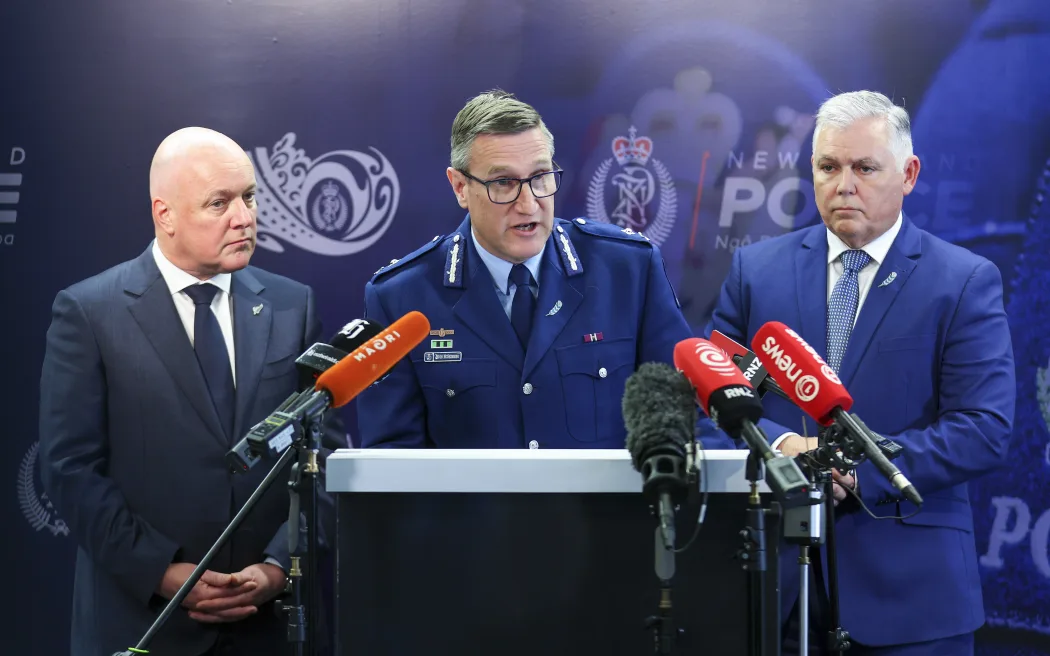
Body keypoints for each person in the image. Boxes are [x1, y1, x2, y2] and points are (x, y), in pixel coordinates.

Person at [706, 90, 1015, 654]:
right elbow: (710, 399)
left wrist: (855, 469)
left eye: (865, 167)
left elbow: (983, 429)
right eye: (828, 166)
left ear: (909, 174)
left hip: (912, 605)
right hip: (771, 593)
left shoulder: (964, 281)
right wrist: (781, 445)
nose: (843, 183)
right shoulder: (756, 271)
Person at [38, 127, 344, 656]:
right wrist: (161, 571)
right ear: (165, 215)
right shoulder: (89, 313)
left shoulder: (293, 306)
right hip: (142, 624)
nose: (244, 218)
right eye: (218, 203)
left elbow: (323, 455)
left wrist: (278, 566)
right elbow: (70, 469)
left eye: (249, 197)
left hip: (270, 628)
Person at [355, 89, 692, 449]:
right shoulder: (401, 297)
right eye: (504, 183)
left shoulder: (628, 271)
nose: (529, 203)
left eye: (540, 177)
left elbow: (684, 417)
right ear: (460, 187)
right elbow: (391, 463)